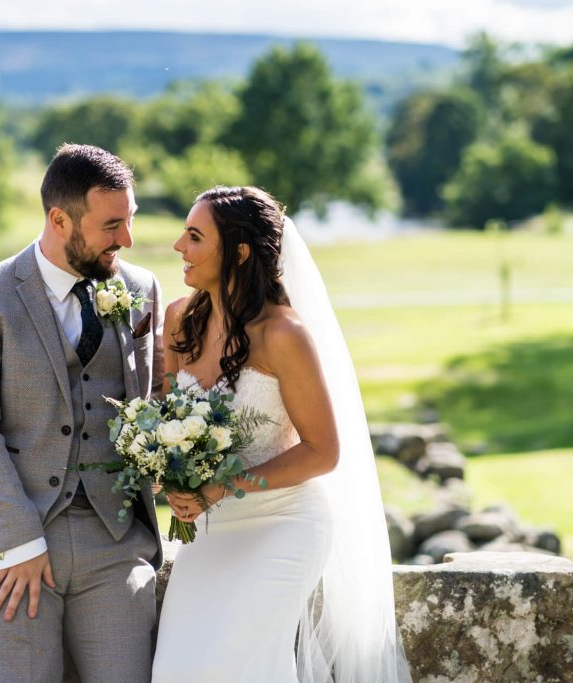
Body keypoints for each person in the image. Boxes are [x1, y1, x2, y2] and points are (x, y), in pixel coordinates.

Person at [153, 186, 411, 682]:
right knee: (176, 670)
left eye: (194, 235)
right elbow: (168, 423)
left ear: (239, 252)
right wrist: (173, 481)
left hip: (284, 524)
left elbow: (322, 451)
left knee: (230, 665)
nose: (178, 247)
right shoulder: (179, 319)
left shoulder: (283, 335)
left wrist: (224, 485)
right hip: (209, 531)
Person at [0, 144, 164, 683]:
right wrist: (19, 540)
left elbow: (152, 407)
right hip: (10, 535)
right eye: (112, 225)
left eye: (130, 220)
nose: (127, 240)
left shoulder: (140, 289)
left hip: (114, 539)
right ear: (59, 219)